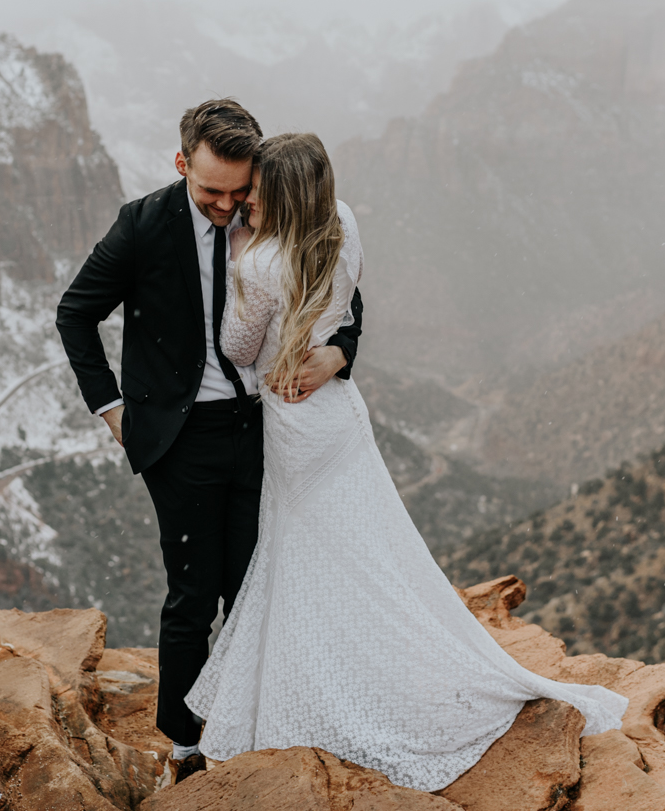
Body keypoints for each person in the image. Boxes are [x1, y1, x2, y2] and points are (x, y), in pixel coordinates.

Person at [184, 132, 629, 792]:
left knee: (304, 560)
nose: (245, 198)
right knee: (370, 550)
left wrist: (245, 260)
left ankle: (318, 694)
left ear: (278, 195)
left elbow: (238, 346)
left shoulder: (258, 261)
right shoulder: (343, 223)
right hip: (340, 413)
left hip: (293, 426)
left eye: (256, 190)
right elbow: (348, 297)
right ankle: (370, 664)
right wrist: (328, 347)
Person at [54, 100, 364, 782]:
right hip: (181, 435)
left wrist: (338, 352)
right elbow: (75, 312)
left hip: (268, 429)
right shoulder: (144, 224)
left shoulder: (274, 209)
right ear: (181, 162)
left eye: (238, 190)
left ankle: (260, 724)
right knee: (193, 593)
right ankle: (188, 746)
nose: (227, 205)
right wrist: (112, 411)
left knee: (255, 584)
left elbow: (339, 288)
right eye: (211, 191)